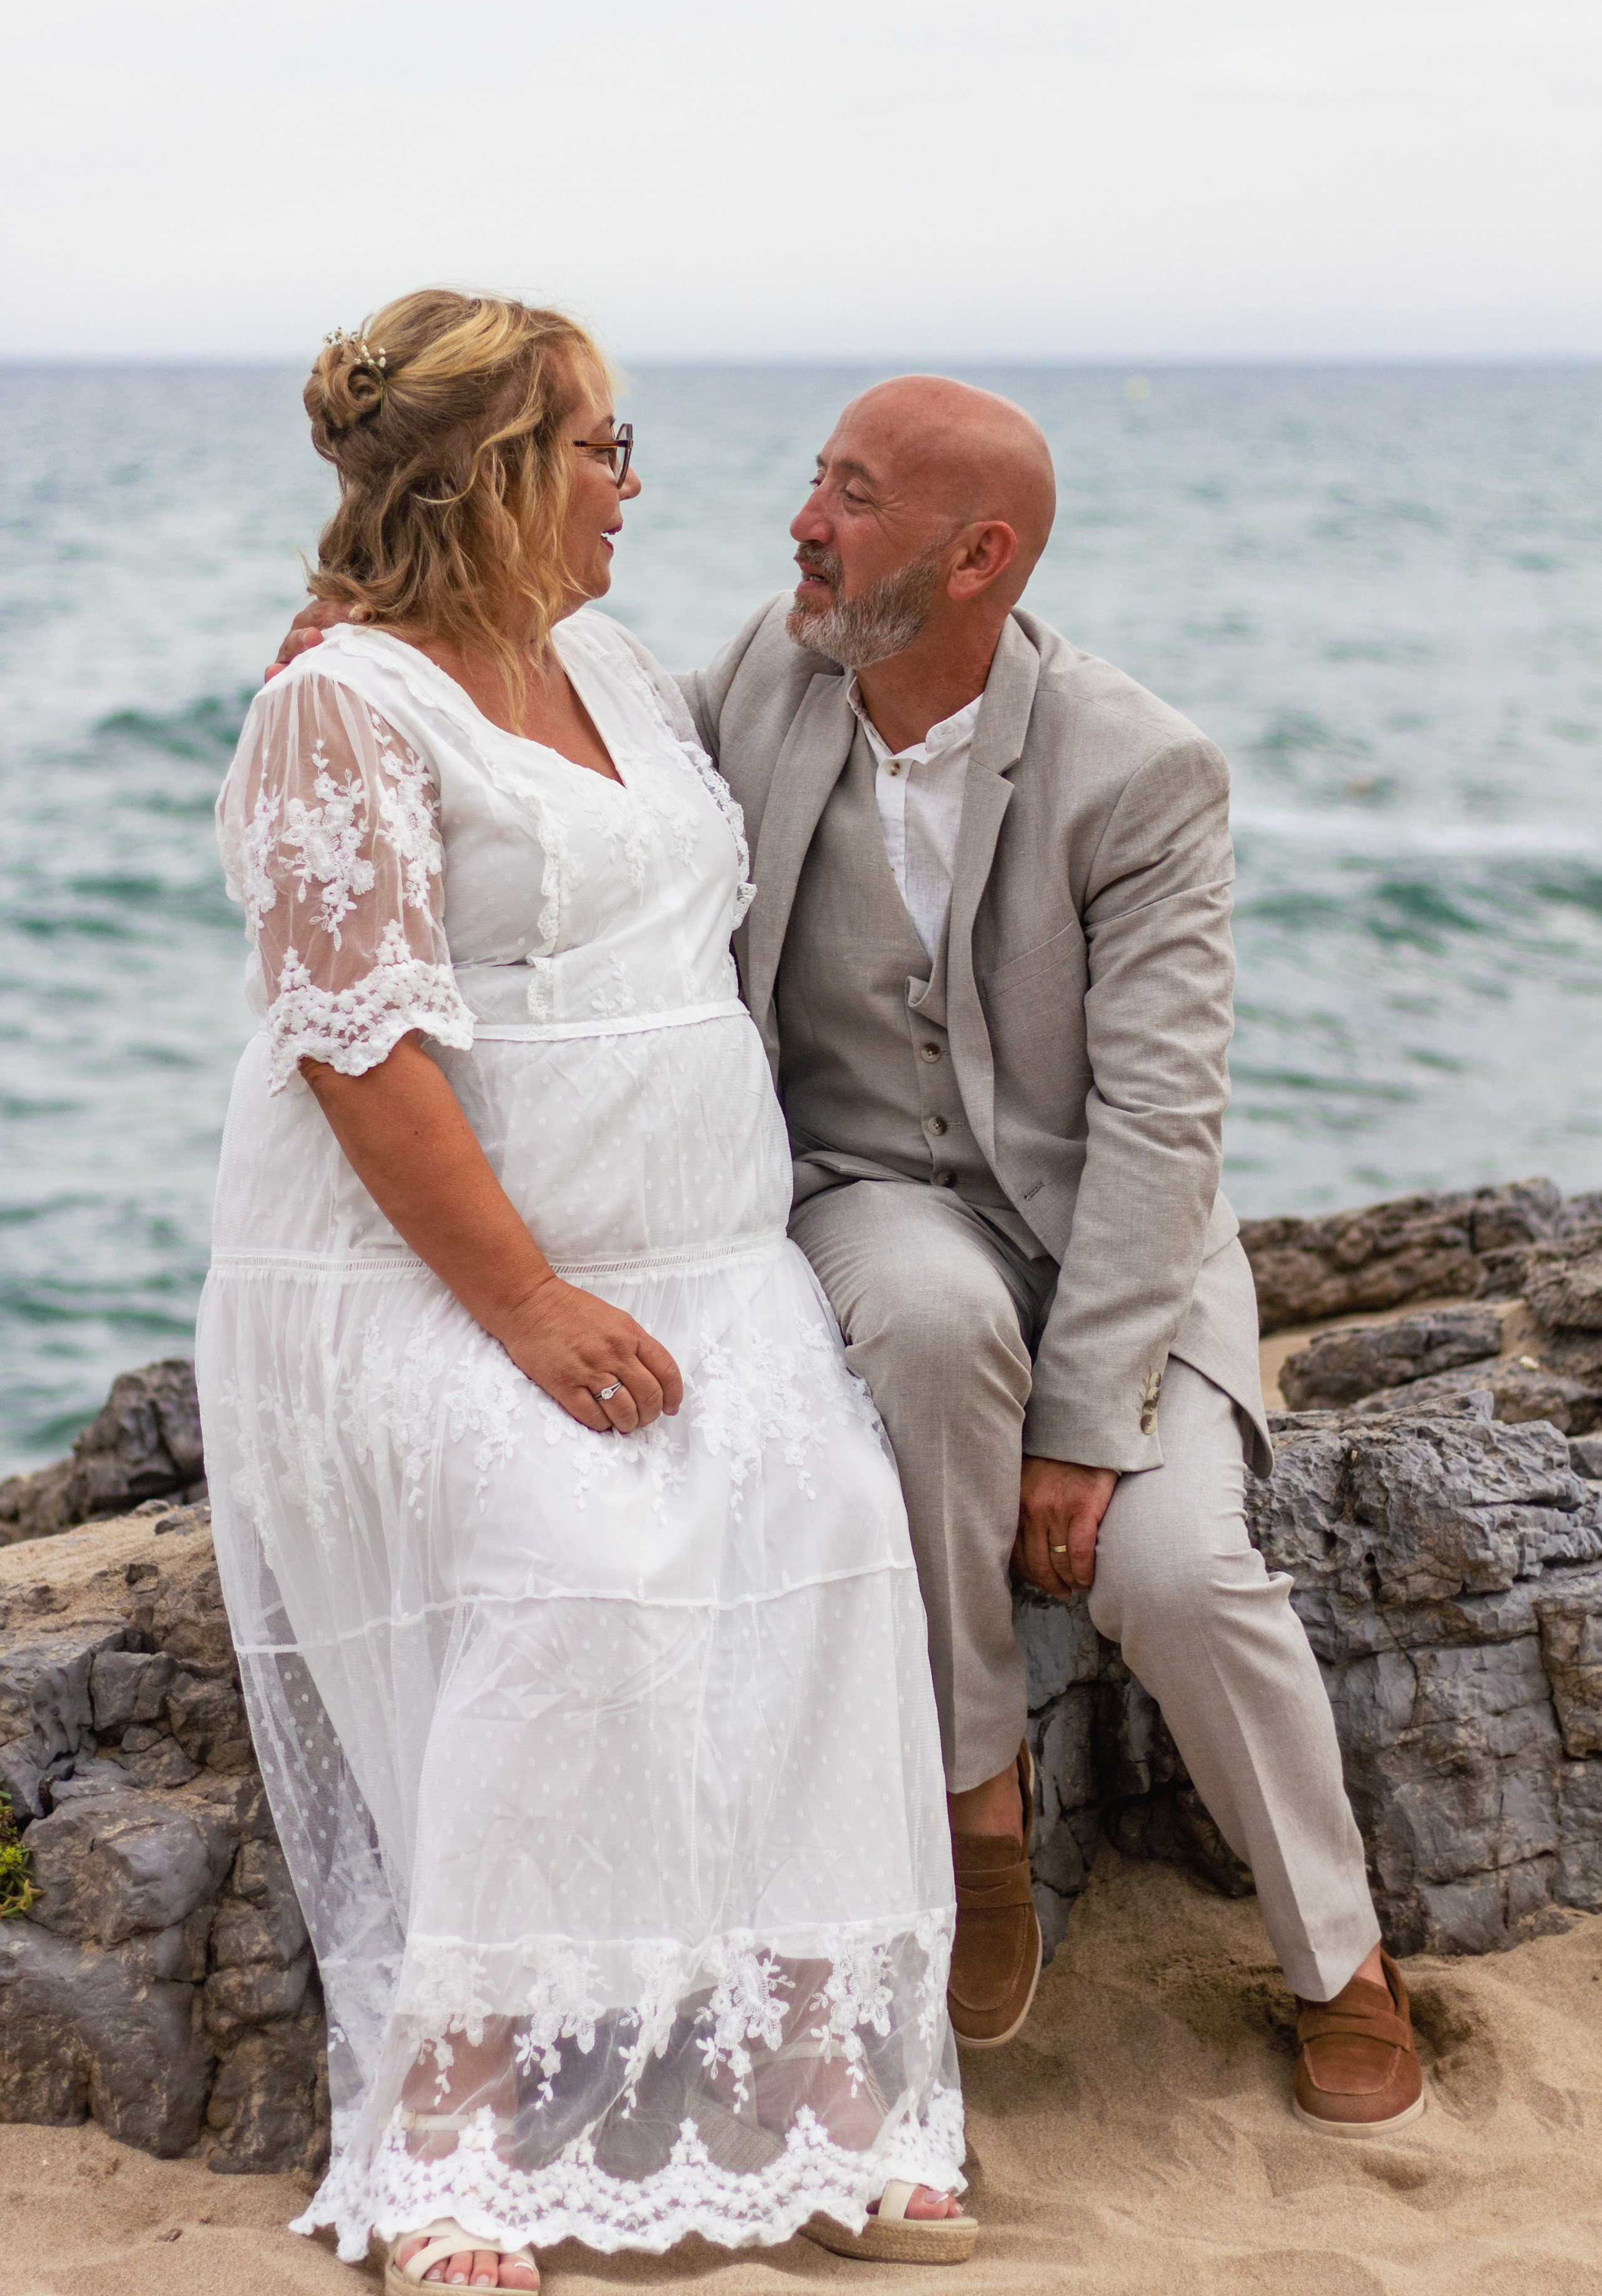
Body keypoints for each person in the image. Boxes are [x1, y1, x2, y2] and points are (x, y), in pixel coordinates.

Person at [275, 369, 1426, 2140]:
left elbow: (1161, 1129)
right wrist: (357, 636)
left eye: (856, 498)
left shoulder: (1143, 768)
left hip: (1113, 1262)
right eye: (818, 480)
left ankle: (1340, 1963)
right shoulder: (763, 677)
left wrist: (1090, 1424)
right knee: (936, 1320)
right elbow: (546, 719)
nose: (803, 522)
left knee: (1181, 1576)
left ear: (979, 558)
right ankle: (982, 1816)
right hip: (877, 1206)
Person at [199, 292, 971, 2296]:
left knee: (825, 1528)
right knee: (579, 1574)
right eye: (605, 450)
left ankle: (819, 2084)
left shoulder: (615, 664)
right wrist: (529, 1308)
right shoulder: (340, 705)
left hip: (708, 1272)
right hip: (429, 1282)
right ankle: (455, 2136)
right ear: (497, 476)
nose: (637, 488)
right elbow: (359, 1052)